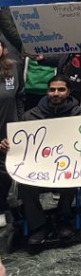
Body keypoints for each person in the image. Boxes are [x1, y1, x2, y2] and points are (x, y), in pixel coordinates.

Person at [9, 76, 81, 243]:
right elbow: (20, 143)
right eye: (52, 90)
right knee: (24, 183)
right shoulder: (30, 116)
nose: (56, 93)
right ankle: (39, 225)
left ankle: (63, 219)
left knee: (71, 179)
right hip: (39, 168)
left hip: (68, 167)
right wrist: (8, 144)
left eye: (61, 90)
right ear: (47, 92)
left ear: (68, 92)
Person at [0, 40, 22, 228]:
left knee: (6, 170)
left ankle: (2, 204)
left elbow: (20, 96)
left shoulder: (13, 69)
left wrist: (20, 126)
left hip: (9, 129)